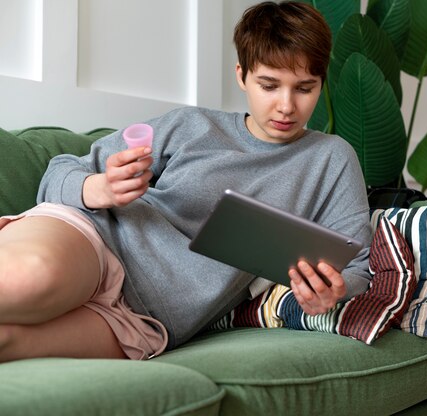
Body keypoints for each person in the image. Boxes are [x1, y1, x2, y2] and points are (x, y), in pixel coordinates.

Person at [0, 1, 371, 362]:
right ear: (242, 76)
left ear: (321, 84)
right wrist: (99, 188)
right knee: (30, 280)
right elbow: (59, 171)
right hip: (97, 240)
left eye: (304, 88)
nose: (287, 106)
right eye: (269, 85)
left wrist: (331, 294)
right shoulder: (191, 126)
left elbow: (358, 266)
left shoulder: (332, 159)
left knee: (8, 340)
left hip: (145, 320)